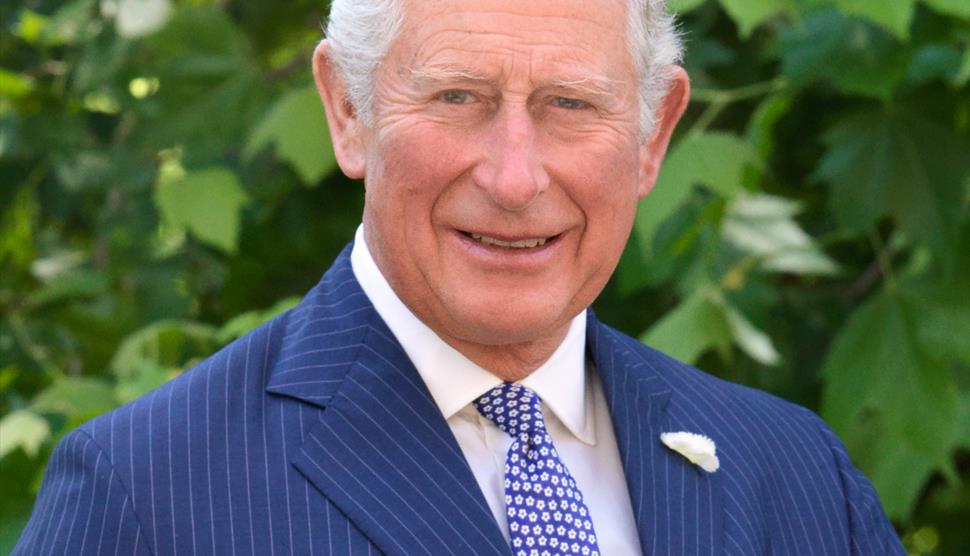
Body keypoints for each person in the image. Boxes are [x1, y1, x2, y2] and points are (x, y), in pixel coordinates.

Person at [14, 0, 903, 554]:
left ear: (654, 134)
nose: (515, 178)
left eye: (570, 105)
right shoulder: (150, 492)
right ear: (348, 110)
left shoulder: (793, 473)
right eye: (456, 98)